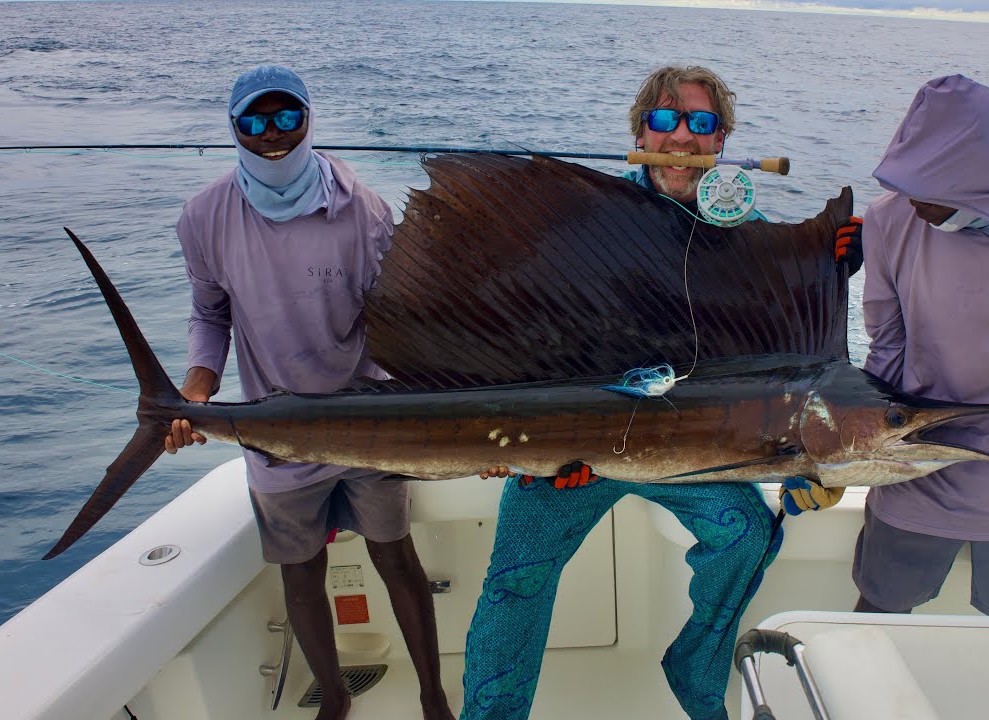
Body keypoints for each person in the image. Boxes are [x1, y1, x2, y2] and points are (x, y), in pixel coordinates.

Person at [459, 65, 861, 720]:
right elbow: (520, 333)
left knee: (748, 534)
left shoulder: (745, 235)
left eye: (700, 123)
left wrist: (829, 266)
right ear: (640, 130)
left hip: (684, 452)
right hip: (574, 454)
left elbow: (786, 370)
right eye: (665, 121)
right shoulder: (587, 224)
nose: (680, 137)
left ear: (721, 140)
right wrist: (523, 444)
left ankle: (696, 672)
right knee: (514, 586)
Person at [163, 65, 453, 720]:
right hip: (278, 428)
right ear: (235, 129)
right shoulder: (203, 218)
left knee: (394, 554)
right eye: (255, 121)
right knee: (300, 570)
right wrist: (198, 387)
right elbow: (210, 315)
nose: (273, 134)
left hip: (369, 417)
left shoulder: (365, 211)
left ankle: (434, 698)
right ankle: (336, 697)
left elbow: (403, 322)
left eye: (287, 117)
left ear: (308, 120)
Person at [785, 74, 989, 619]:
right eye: (908, 186)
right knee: (876, 631)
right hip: (912, 476)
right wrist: (832, 466)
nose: (916, 205)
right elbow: (885, 357)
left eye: (930, 194)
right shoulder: (890, 219)